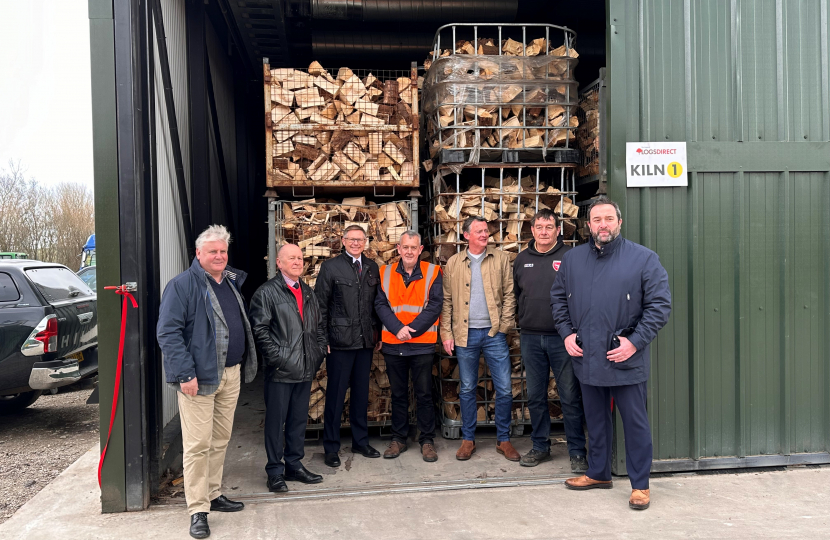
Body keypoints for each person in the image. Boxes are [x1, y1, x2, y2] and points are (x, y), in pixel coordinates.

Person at [550, 196, 671, 511]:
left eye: (608, 219)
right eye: (596, 220)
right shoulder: (574, 260)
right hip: (587, 358)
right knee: (596, 419)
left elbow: (659, 307)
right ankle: (598, 472)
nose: (602, 225)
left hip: (625, 359)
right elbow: (558, 300)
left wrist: (635, 342)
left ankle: (640, 486)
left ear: (619, 222)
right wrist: (566, 334)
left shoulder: (644, 259)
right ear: (588, 225)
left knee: (635, 423)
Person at [156, 225, 257, 539]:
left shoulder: (229, 281)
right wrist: (185, 374)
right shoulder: (182, 285)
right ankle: (197, 509)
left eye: (223, 251)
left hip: (231, 373)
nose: (219, 256)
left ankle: (213, 493)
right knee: (198, 445)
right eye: (212, 251)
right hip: (198, 379)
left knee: (220, 439)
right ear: (198, 253)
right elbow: (168, 334)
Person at [513, 209, 588, 472]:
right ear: (531, 230)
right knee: (535, 396)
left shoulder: (571, 257)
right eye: (539, 227)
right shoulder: (522, 260)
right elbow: (516, 294)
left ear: (558, 230)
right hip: (531, 338)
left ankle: (577, 451)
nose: (544, 232)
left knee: (569, 395)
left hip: (563, 339)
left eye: (549, 227)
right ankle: (540, 446)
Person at [249, 244, 327, 493]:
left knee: (297, 421)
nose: (297, 262)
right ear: (279, 263)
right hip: (281, 371)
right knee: (276, 423)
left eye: (300, 258)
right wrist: (280, 359)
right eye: (291, 258)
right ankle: (275, 471)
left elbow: (319, 327)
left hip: (305, 368)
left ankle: (294, 464)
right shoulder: (266, 293)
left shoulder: (308, 291)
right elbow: (260, 331)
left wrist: (317, 353)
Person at [441, 216, 519, 462]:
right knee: (466, 389)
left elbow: (510, 294)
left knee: (505, 389)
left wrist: (504, 327)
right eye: (479, 231)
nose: (485, 235)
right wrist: (446, 332)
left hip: (494, 334)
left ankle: (504, 440)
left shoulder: (501, 259)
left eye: (486, 231)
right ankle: (468, 439)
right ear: (466, 235)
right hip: (465, 335)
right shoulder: (453, 262)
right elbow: (447, 301)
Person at [315, 224, 382, 467]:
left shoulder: (373, 267)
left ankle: (360, 441)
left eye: (360, 239)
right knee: (335, 395)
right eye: (351, 239)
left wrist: (379, 334)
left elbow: (377, 305)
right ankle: (331, 447)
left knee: (361, 394)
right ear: (343, 241)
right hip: (340, 342)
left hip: (365, 341)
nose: (356, 243)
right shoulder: (330, 267)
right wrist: (323, 339)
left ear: (365, 242)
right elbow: (320, 306)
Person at [374, 230, 442, 462]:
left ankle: (427, 441)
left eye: (414, 247)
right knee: (398, 394)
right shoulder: (385, 273)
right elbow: (380, 304)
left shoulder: (433, 272)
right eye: (406, 247)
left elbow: (435, 306)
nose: (410, 251)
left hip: (421, 344)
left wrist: (410, 329)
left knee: (424, 394)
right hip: (394, 344)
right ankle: (399, 439)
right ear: (399, 249)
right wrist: (397, 328)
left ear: (420, 250)